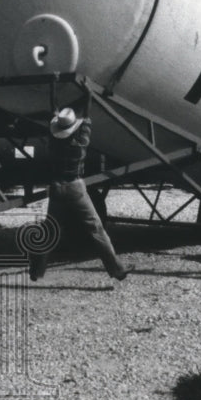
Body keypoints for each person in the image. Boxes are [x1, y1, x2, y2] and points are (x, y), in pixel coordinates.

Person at [29, 101, 129, 282]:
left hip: (56, 188)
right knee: (96, 228)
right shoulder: (80, 144)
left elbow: (55, 127)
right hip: (76, 188)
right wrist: (88, 96)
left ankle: (36, 271)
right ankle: (117, 270)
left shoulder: (52, 145)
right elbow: (87, 120)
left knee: (50, 230)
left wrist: (55, 111)